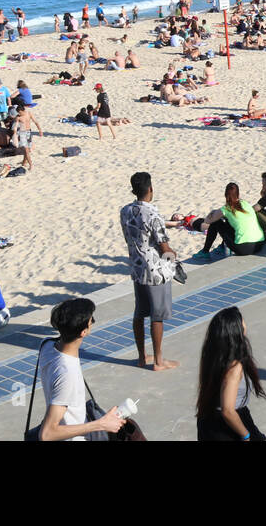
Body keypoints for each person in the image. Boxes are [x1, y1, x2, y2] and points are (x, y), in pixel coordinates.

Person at [36, 298, 125, 440]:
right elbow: (47, 434)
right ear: (83, 332)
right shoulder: (67, 373)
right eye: (91, 320)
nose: (93, 322)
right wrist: (101, 424)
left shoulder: (47, 344)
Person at [119, 172, 180, 371]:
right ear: (150, 189)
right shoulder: (152, 213)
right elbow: (163, 247)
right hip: (155, 270)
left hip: (137, 267)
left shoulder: (125, 211)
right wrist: (173, 254)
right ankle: (158, 361)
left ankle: (141, 356)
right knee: (157, 315)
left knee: (140, 312)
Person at [196, 306, 266, 441]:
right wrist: (246, 435)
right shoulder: (234, 368)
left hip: (208, 421)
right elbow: (227, 411)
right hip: (228, 424)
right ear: (236, 331)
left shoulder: (211, 356)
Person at [197, 182, 266, 259]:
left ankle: (205, 252)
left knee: (216, 222)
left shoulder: (226, 208)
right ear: (238, 194)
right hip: (259, 245)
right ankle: (222, 247)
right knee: (233, 222)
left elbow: (207, 221)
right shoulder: (246, 204)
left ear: (226, 195)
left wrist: (213, 211)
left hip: (244, 249)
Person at [13, 102, 43, 169]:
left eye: (20, 112)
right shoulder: (18, 117)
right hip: (22, 133)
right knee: (26, 150)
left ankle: (24, 162)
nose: (19, 114)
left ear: (23, 110)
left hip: (29, 132)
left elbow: (36, 122)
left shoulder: (28, 113)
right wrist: (15, 136)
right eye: (18, 113)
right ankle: (31, 164)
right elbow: (15, 127)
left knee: (28, 150)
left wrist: (40, 130)